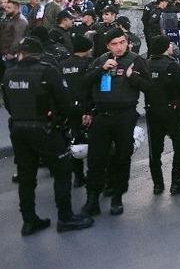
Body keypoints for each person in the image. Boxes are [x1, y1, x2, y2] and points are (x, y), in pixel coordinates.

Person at [1, 37, 94, 236]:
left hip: (18, 129)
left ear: (21, 53)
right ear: (39, 53)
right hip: (45, 129)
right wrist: (63, 122)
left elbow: (8, 103)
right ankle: (65, 217)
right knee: (62, 170)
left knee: (26, 177)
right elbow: (64, 101)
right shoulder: (47, 70)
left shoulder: (9, 73)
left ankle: (29, 220)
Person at [81, 28, 151, 217]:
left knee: (121, 158)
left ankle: (117, 199)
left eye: (122, 42)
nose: (119, 47)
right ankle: (92, 199)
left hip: (125, 115)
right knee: (96, 159)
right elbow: (85, 84)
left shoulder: (137, 60)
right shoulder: (100, 60)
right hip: (101, 115)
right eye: (114, 44)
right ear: (107, 46)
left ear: (127, 42)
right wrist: (100, 69)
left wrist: (133, 77)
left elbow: (150, 87)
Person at [144, 35, 180, 196]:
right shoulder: (172, 65)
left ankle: (157, 184)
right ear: (166, 48)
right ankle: (177, 181)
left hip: (152, 111)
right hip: (172, 111)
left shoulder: (146, 65)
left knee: (155, 150)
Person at [58, 35, 95, 188]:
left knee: (75, 142)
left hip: (69, 109)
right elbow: (92, 88)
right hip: (86, 109)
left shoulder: (61, 65)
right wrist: (90, 110)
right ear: (86, 49)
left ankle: (78, 177)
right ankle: (94, 177)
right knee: (94, 144)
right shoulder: (89, 64)